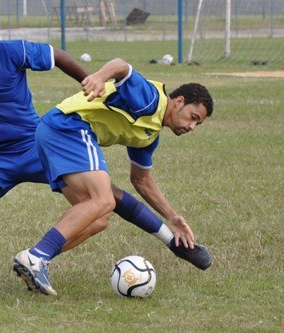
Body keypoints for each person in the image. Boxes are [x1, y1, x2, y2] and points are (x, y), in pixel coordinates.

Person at [0, 6, 210, 293]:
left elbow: (57, 55)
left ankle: (39, 259)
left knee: (104, 206)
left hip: (35, 144)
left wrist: (90, 83)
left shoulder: (11, 52)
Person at [13, 57, 214, 296]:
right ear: (179, 102)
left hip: (54, 132)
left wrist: (171, 218)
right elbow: (122, 66)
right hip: (69, 126)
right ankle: (36, 257)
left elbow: (141, 180)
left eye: (198, 124)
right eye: (193, 117)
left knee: (99, 218)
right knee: (104, 199)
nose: (192, 127)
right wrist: (99, 77)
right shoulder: (151, 100)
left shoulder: (150, 135)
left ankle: (38, 259)